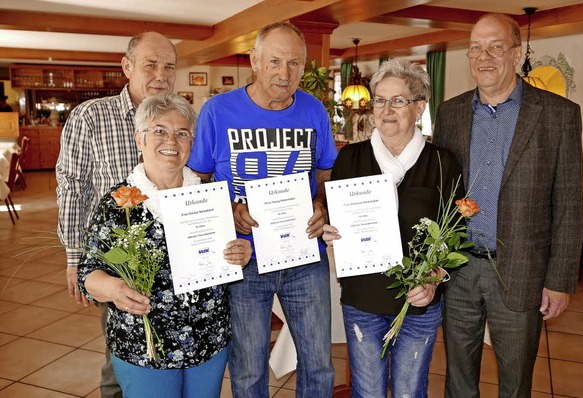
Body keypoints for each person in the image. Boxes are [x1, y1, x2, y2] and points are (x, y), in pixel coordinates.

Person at [432, 13, 583, 398]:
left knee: (516, 384)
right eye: (475, 48)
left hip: (522, 273)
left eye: (496, 46)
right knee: (458, 379)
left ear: (515, 53)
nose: (484, 56)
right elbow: (438, 191)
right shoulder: (449, 113)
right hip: (459, 269)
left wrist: (559, 280)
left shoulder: (558, 115)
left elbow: (568, 203)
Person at [187, 21, 336, 398]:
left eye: (294, 63)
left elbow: (326, 171)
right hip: (244, 258)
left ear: (305, 67)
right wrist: (229, 209)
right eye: (274, 61)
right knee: (248, 368)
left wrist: (321, 202)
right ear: (254, 60)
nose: (284, 73)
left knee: (318, 364)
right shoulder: (217, 111)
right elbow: (197, 179)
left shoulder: (315, 110)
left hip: (304, 255)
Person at [77, 93, 252, 398]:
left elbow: (230, 251)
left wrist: (242, 252)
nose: (171, 140)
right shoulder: (120, 203)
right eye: (159, 130)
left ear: (191, 142)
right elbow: (88, 273)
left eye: (182, 133)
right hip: (144, 347)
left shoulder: (210, 195)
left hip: (207, 340)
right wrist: (114, 289)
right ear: (139, 139)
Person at [322, 59, 462, 398]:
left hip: (419, 302)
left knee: (409, 392)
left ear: (419, 107)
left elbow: (457, 234)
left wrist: (434, 278)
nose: (386, 110)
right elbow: (334, 220)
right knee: (367, 391)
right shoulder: (350, 159)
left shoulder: (442, 163)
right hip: (363, 300)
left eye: (398, 100)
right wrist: (330, 233)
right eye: (380, 100)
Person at [56, 31, 177, 398]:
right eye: (150, 64)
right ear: (127, 67)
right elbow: (72, 185)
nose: (161, 74)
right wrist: (76, 258)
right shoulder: (91, 116)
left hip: (175, 257)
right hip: (118, 258)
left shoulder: (180, 116)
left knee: (168, 350)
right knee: (121, 356)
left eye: (169, 66)